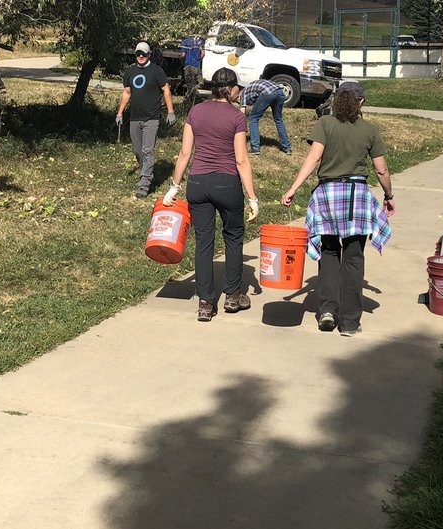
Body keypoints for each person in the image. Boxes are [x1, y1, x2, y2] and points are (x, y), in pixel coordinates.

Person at [282, 80, 394, 336]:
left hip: (327, 194)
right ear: (361, 102)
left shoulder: (325, 124)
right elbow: (382, 170)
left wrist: (293, 188)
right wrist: (389, 195)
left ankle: (328, 311)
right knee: (353, 258)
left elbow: (314, 157)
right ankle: (350, 322)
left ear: (335, 100)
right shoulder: (369, 130)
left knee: (329, 253)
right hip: (356, 195)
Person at [163, 67, 259, 322]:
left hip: (198, 183)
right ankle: (233, 295)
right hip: (226, 184)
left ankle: (205, 303)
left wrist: (174, 186)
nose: (239, 92)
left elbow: (185, 153)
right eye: (238, 87)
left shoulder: (196, 111)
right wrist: (252, 198)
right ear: (230, 89)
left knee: (204, 242)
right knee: (233, 237)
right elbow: (241, 160)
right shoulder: (237, 117)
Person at [116, 41, 175, 198]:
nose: (141, 56)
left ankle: (144, 184)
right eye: (138, 53)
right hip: (135, 117)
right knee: (137, 150)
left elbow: (166, 90)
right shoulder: (130, 72)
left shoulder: (157, 71)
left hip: (152, 118)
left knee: (147, 150)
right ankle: (147, 172)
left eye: (144, 53)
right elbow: (127, 93)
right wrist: (120, 113)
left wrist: (170, 111)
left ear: (149, 54)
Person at [240, 77, 292, 155]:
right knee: (278, 119)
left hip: (267, 92)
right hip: (280, 91)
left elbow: (242, 113)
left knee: (253, 118)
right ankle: (287, 148)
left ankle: (255, 148)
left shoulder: (242, 94)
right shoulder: (252, 87)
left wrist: (241, 128)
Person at [180, 33, 204, 109]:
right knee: (193, 85)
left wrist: (181, 60)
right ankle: (189, 101)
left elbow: (183, 54)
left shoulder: (185, 41)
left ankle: (196, 101)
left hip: (188, 66)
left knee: (190, 86)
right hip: (196, 66)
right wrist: (198, 60)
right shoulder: (200, 41)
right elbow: (203, 54)